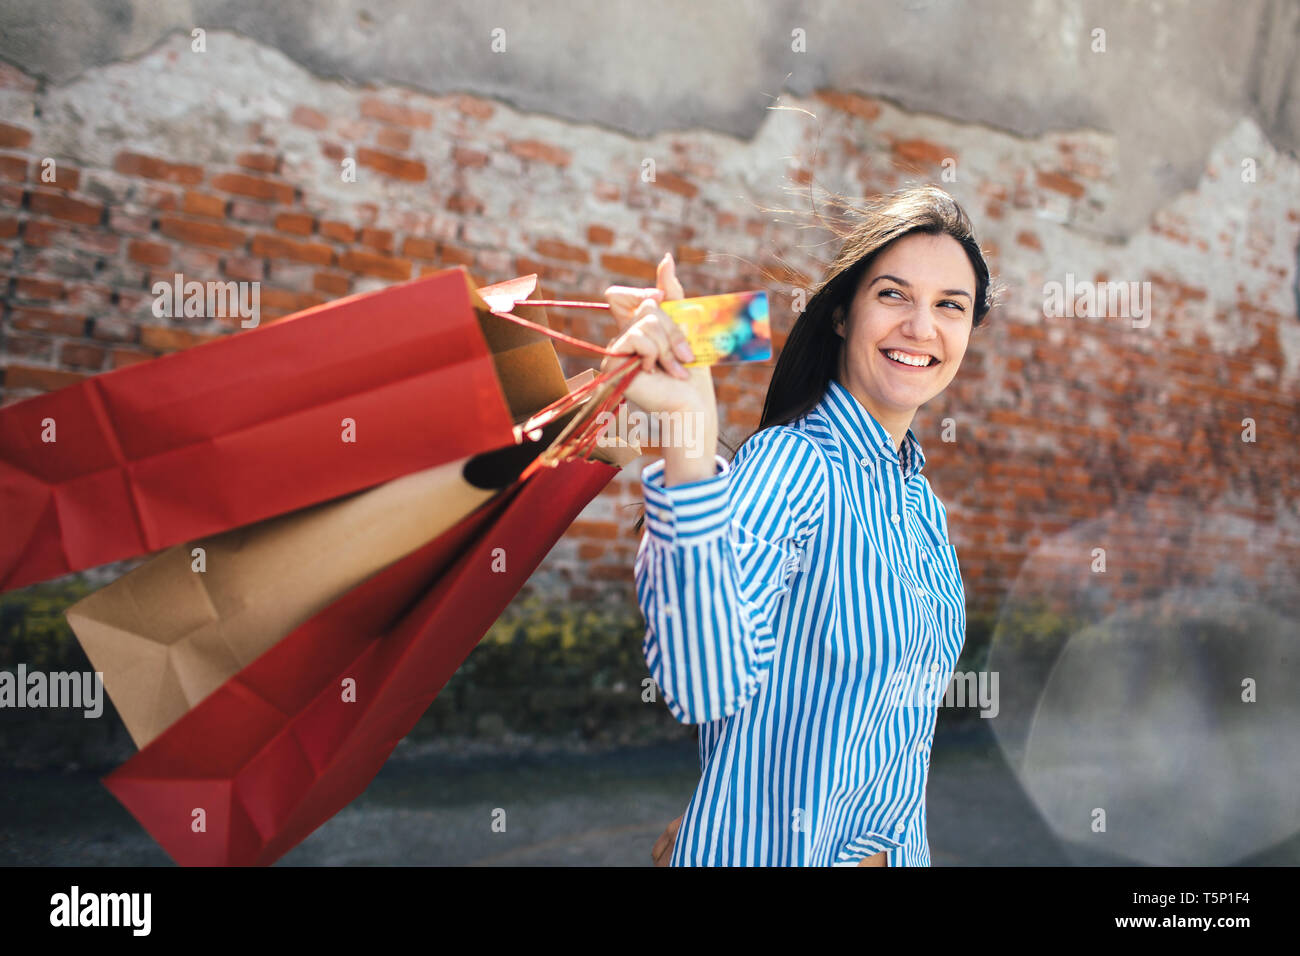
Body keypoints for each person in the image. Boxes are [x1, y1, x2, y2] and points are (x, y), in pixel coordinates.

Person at [601, 184, 997, 866]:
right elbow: (703, 684)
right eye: (894, 294)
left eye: (950, 307)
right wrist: (690, 446)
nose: (921, 327)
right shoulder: (795, 465)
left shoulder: (919, 503)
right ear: (843, 314)